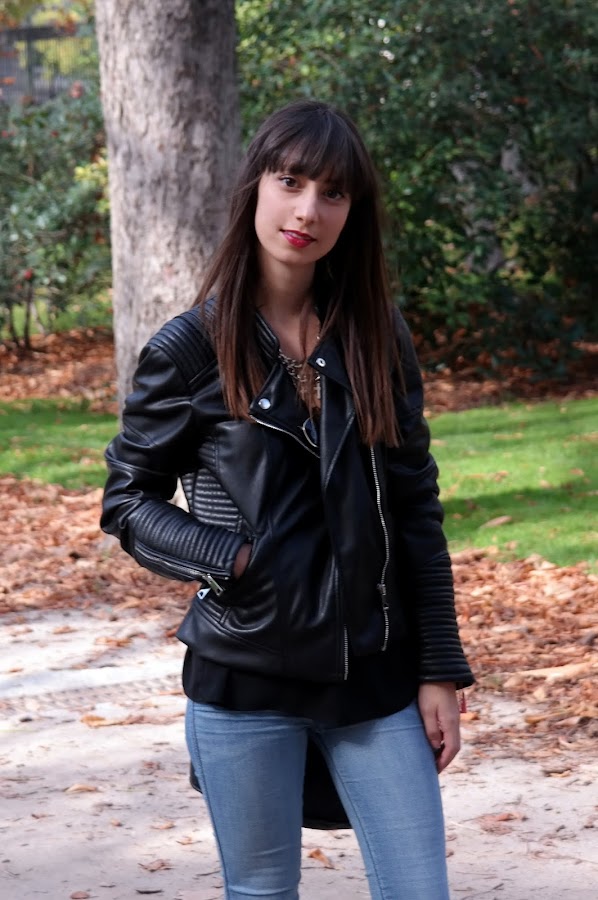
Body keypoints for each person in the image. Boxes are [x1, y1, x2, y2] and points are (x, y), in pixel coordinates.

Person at [101, 99, 474, 900]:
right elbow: (128, 500)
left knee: (420, 888)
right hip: (244, 679)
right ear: (256, 187)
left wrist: (440, 668)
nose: (308, 210)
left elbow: (416, 509)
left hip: (374, 680)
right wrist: (236, 560)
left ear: (353, 212)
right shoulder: (190, 350)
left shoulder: (376, 336)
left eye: (333, 193)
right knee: (263, 890)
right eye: (291, 182)